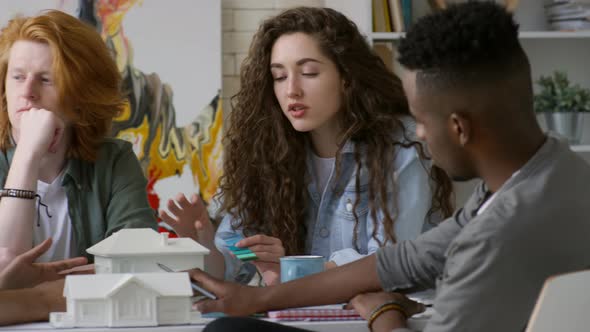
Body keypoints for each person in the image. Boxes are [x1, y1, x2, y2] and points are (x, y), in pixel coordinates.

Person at [190, 2, 590, 332]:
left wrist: (384, 313)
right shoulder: (547, 172)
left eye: (420, 120)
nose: (415, 132)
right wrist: (262, 296)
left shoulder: (497, 237)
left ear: (458, 128)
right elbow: (403, 261)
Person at [160, 6, 453, 284]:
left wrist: (292, 270)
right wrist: (202, 240)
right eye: (279, 76)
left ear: (347, 78)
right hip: (306, 316)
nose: (291, 90)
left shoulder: (399, 144)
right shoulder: (268, 152)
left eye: (309, 72)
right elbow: (230, 269)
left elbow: (389, 265)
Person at [0, 10, 157, 270]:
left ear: (81, 95)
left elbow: (135, 266)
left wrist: (35, 293)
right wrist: (28, 152)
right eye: (17, 77)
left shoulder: (115, 160)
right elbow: (5, 266)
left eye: (46, 79)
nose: (27, 92)